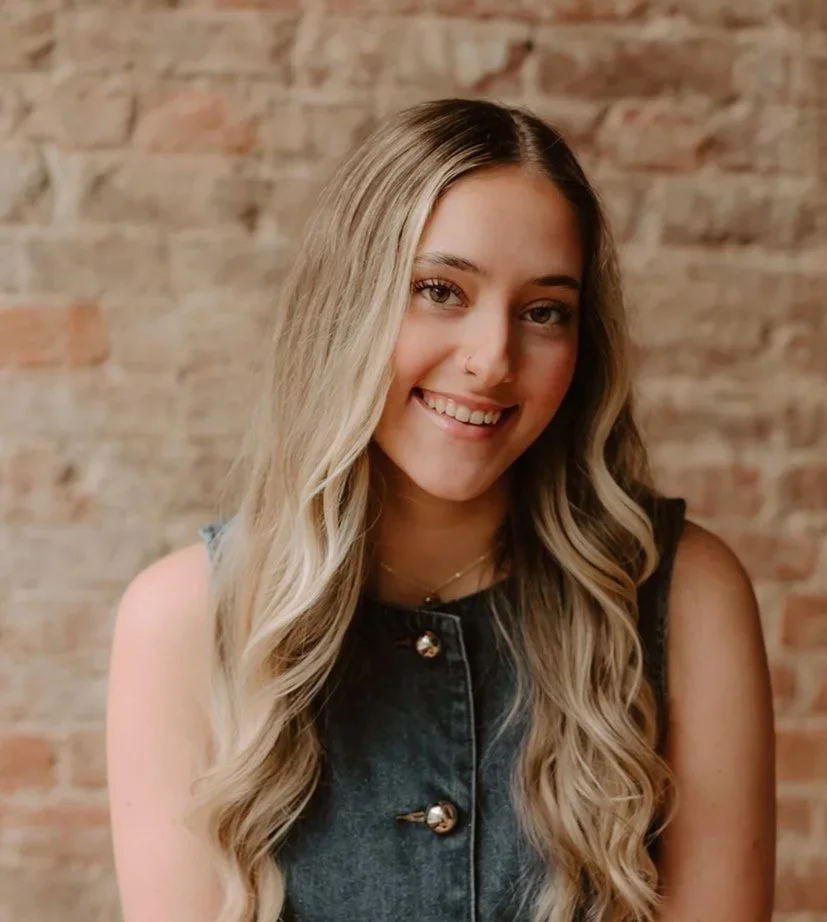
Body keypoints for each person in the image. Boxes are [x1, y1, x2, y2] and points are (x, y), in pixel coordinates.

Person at [106, 98, 775, 922]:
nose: (493, 359)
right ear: (348, 307)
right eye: (439, 290)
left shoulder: (686, 599)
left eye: (543, 312)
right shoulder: (182, 620)